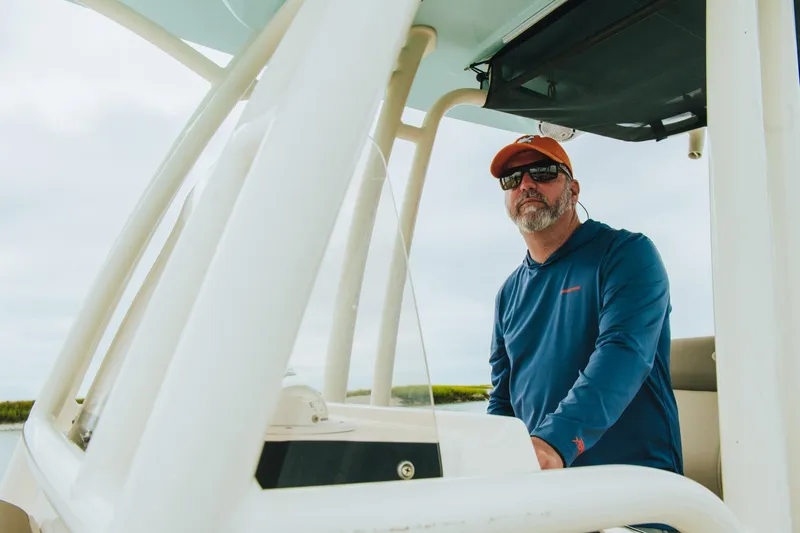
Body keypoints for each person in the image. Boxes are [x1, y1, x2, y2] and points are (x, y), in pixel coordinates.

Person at [486, 134, 683, 531]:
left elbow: (623, 354)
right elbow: (503, 399)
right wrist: (491, 457)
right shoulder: (508, 293)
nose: (526, 184)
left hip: (633, 499)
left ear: (573, 190)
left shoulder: (627, 254)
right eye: (512, 178)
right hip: (546, 499)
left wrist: (554, 443)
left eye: (543, 172)